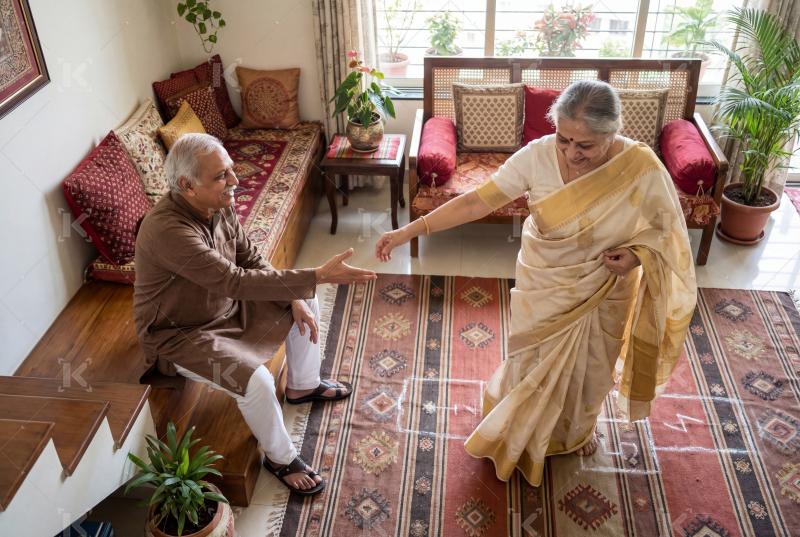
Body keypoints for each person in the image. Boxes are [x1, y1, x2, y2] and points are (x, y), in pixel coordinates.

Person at [375, 80, 696, 486]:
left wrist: (636, 255)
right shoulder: (537, 156)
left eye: (586, 145)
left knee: (592, 365)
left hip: (605, 286)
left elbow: (667, 231)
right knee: (531, 356)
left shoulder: (639, 165)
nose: (572, 153)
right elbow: (476, 201)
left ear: (612, 133)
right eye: (564, 139)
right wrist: (409, 230)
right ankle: (521, 420)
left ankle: (576, 430)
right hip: (545, 278)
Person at [134, 133, 376, 495]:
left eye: (231, 170)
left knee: (303, 302)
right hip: (181, 333)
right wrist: (317, 275)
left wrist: (295, 293)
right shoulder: (168, 231)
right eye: (221, 176)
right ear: (187, 186)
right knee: (256, 381)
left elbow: (248, 257)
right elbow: (233, 280)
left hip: (226, 306)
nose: (234, 180)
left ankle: (303, 385)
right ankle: (281, 459)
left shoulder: (219, 203)